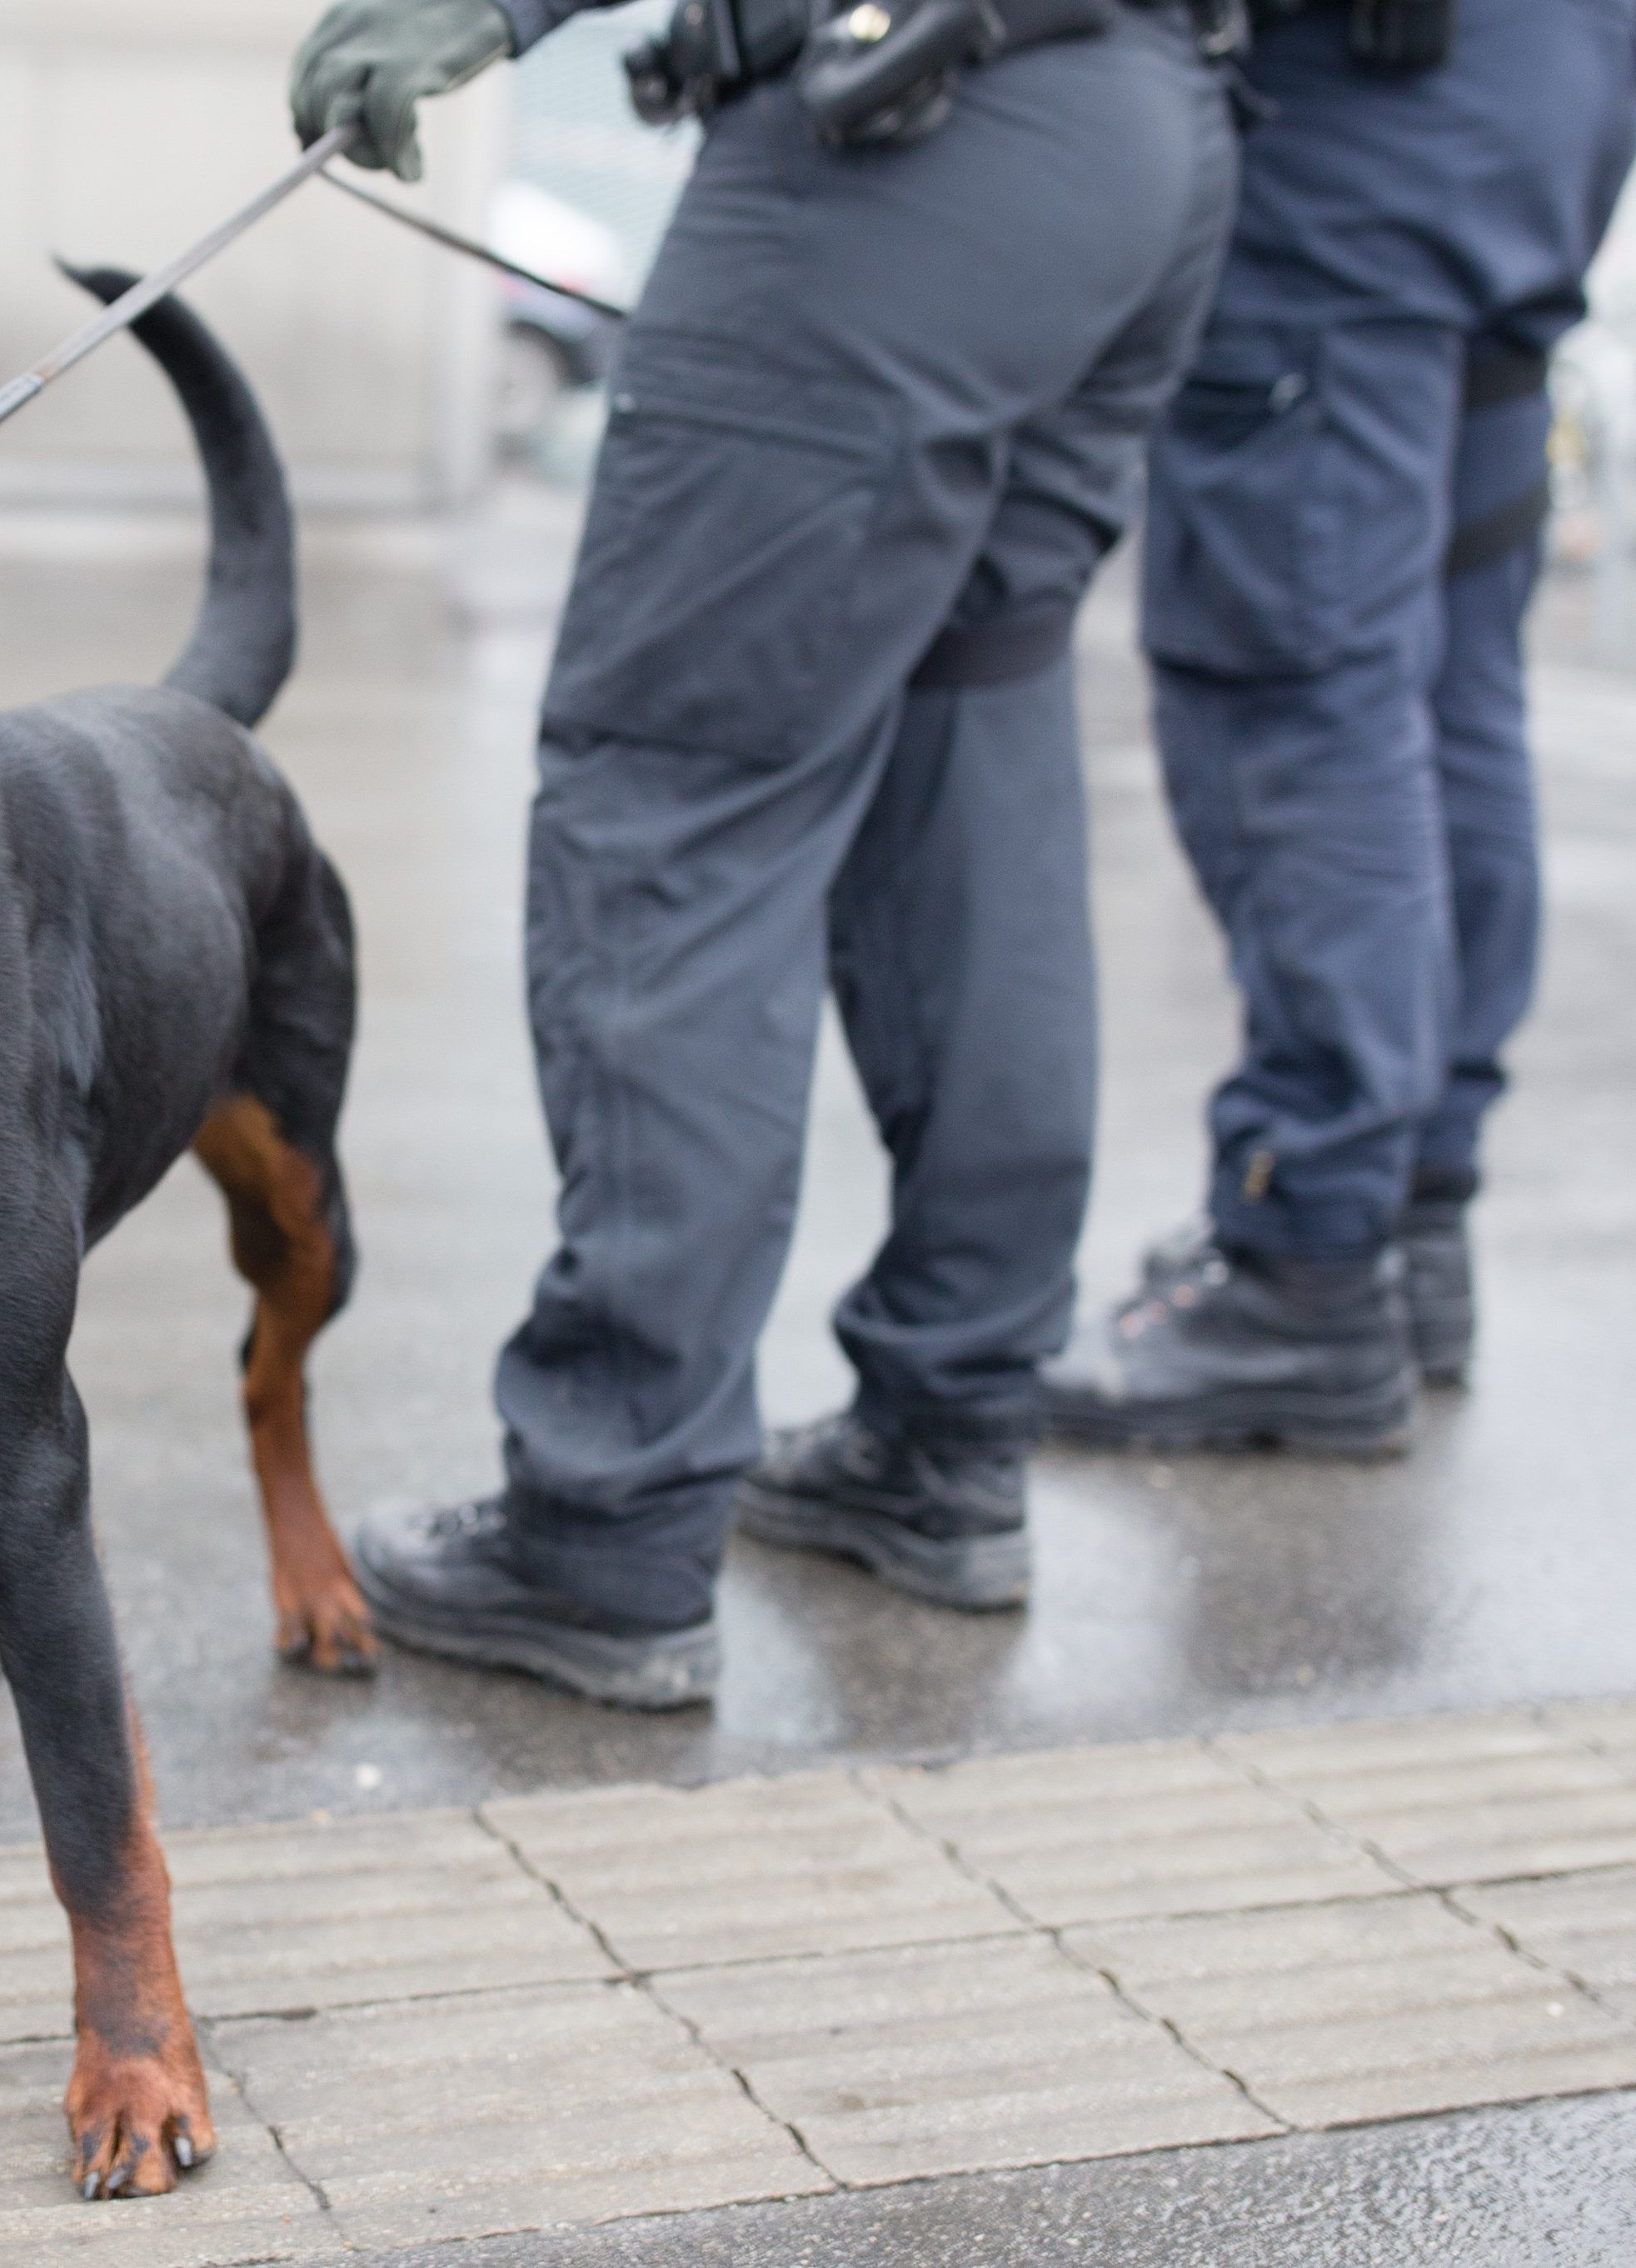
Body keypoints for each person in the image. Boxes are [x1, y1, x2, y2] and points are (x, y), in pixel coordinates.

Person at [287, 0, 1240, 1703]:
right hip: (1142, 125)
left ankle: (612, 1513)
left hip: (914, 139)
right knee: (971, 754)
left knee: (674, 794)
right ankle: (946, 1435)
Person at [1045, 0, 1636, 1455]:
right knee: (1447, 687)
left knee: (1295, 687)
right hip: (1542, 101)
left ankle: (1303, 1264)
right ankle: (1408, 1227)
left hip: (1369, 117)